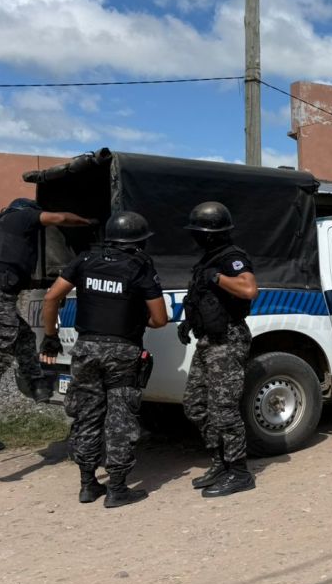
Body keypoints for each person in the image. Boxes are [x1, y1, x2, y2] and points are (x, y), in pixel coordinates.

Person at [39, 211, 167, 507]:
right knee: (120, 417)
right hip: (122, 351)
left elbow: (50, 297)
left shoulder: (84, 260)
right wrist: (137, 319)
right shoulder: (140, 266)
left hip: (86, 349)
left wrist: (50, 336)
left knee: (87, 414)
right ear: (138, 241)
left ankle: (88, 484)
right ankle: (118, 488)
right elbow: (160, 319)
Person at [0, 197, 92, 451]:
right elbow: (59, 218)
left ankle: (37, 383)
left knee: (24, 337)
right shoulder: (21, 216)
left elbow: (6, 266)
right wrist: (86, 222)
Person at [178, 202, 259, 497]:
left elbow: (249, 290)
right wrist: (189, 322)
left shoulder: (232, 258)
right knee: (195, 404)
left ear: (211, 234)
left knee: (224, 408)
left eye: (198, 232)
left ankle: (239, 472)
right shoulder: (207, 259)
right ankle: (221, 462)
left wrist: (218, 277)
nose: (195, 237)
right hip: (208, 340)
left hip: (228, 338)